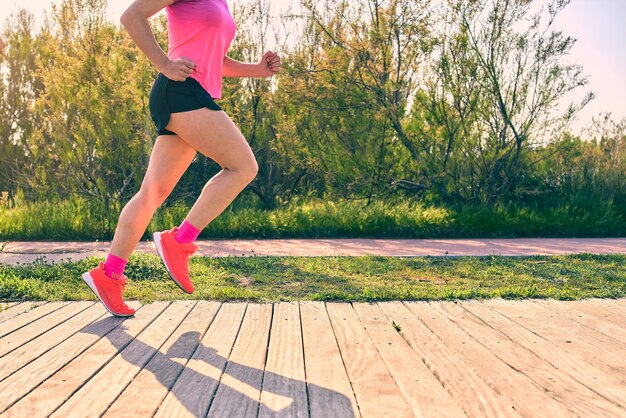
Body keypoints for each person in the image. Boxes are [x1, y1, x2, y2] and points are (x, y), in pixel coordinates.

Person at [81, 0, 281, 317]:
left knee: (152, 194)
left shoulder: (221, 3)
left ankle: (109, 274)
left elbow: (214, 60)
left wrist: (256, 70)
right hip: (181, 90)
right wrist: (163, 62)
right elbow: (132, 16)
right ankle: (180, 240)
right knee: (243, 167)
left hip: (187, 94)